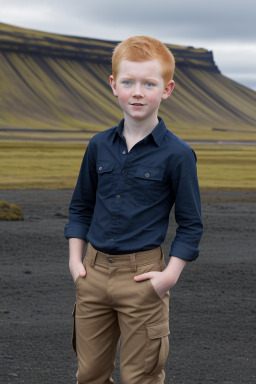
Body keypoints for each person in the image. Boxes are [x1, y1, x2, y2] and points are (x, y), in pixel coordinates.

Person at [64, 35, 203, 384]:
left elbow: (190, 224)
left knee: (140, 376)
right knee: (90, 374)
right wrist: (75, 262)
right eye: (128, 82)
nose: (137, 92)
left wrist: (168, 277)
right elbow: (81, 206)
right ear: (114, 85)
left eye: (148, 83)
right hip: (91, 276)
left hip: (143, 278)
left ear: (167, 89)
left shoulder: (178, 155)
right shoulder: (97, 146)